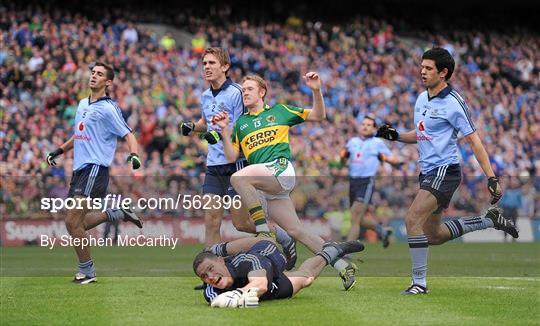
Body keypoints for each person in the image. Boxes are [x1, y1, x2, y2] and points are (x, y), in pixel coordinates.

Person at [375, 47, 519, 295]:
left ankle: (419, 284)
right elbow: (421, 135)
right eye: (422, 66)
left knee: (412, 219)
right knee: (434, 235)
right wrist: (396, 136)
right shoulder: (421, 98)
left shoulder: (454, 103)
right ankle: (489, 220)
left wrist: (491, 177)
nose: (422, 71)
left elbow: (475, 142)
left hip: (445, 171)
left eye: (428, 68)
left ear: (443, 73)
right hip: (428, 172)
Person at [214, 73, 358, 290]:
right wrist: (225, 130)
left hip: (280, 169)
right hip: (267, 183)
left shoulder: (280, 111)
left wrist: (316, 90)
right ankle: (343, 265)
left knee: (239, 178)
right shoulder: (241, 123)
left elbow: (319, 115)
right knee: (297, 231)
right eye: (243, 90)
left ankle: (263, 230)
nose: (245, 92)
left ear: (262, 92)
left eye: (249, 89)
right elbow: (232, 156)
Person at [179, 48, 296, 286]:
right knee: (211, 219)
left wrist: (219, 135)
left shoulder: (236, 93)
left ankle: (279, 235)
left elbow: (244, 126)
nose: (206, 67)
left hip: (237, 164)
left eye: (212, 62)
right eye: (204, 63)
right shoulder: (204, 96)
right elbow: (206, 122)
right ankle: (210, 270)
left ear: (225, 67)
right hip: (214, 165)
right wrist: (193, 126)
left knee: (241, 223)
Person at [46, 62, 143, 284]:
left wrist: (134, 154)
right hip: (79, 170)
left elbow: (128, 134)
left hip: (95, 169)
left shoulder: (109, 108)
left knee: (72, 222)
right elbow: (79, 135)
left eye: (99, 74)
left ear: (108, 82)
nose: (94, 76)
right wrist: (60, 149)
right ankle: (117, 213)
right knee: (76, 223)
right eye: (93, 72)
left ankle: (87, 271)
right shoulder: (82, 104)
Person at [193, 237, 365, 307]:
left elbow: (260, 285)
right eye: (204, 276)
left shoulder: (246, 261)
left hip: (265, 256)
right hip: (269, 287)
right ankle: (332, 250)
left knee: (279, 257)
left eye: (210, 269)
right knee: (306, 280)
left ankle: (286, 243)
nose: (210, 277)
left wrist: (236, 295)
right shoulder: (211, 292)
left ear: (220, 261)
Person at [340, 116, 401, 247]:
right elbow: (343, 160)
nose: (365, 126)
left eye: (368, 125)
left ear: (374, 128)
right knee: (359, 219)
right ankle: (382, 232)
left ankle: (346, 252)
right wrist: (343, 158)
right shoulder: (352, 141)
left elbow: (395, 160)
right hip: (353, 182)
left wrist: (382, 157)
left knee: (354, 218)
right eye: (363, 124)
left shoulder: (377, 143)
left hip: (366, 182)